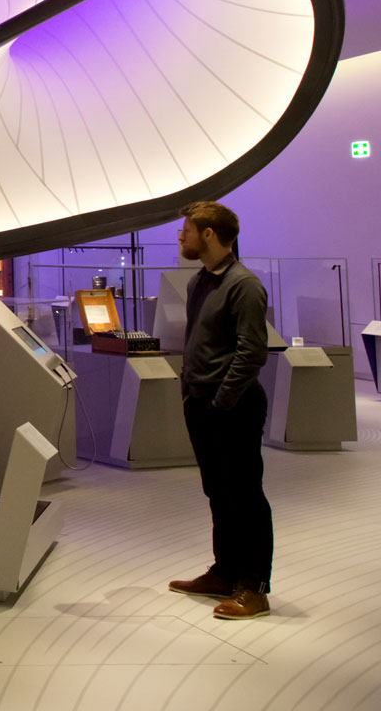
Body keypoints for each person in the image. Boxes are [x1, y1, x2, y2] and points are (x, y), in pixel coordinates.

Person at [167, 201, 273, 620]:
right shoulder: (199, 282)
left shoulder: (243, 285)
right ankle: (225, 572)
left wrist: (222, 400)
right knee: (219, 493)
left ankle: (255, 587)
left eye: (187, 230)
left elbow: (252, 352)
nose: (181, 237)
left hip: (234, 406)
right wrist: (190, 392)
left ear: (208, 234)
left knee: (246, 495)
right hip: (202, 403)